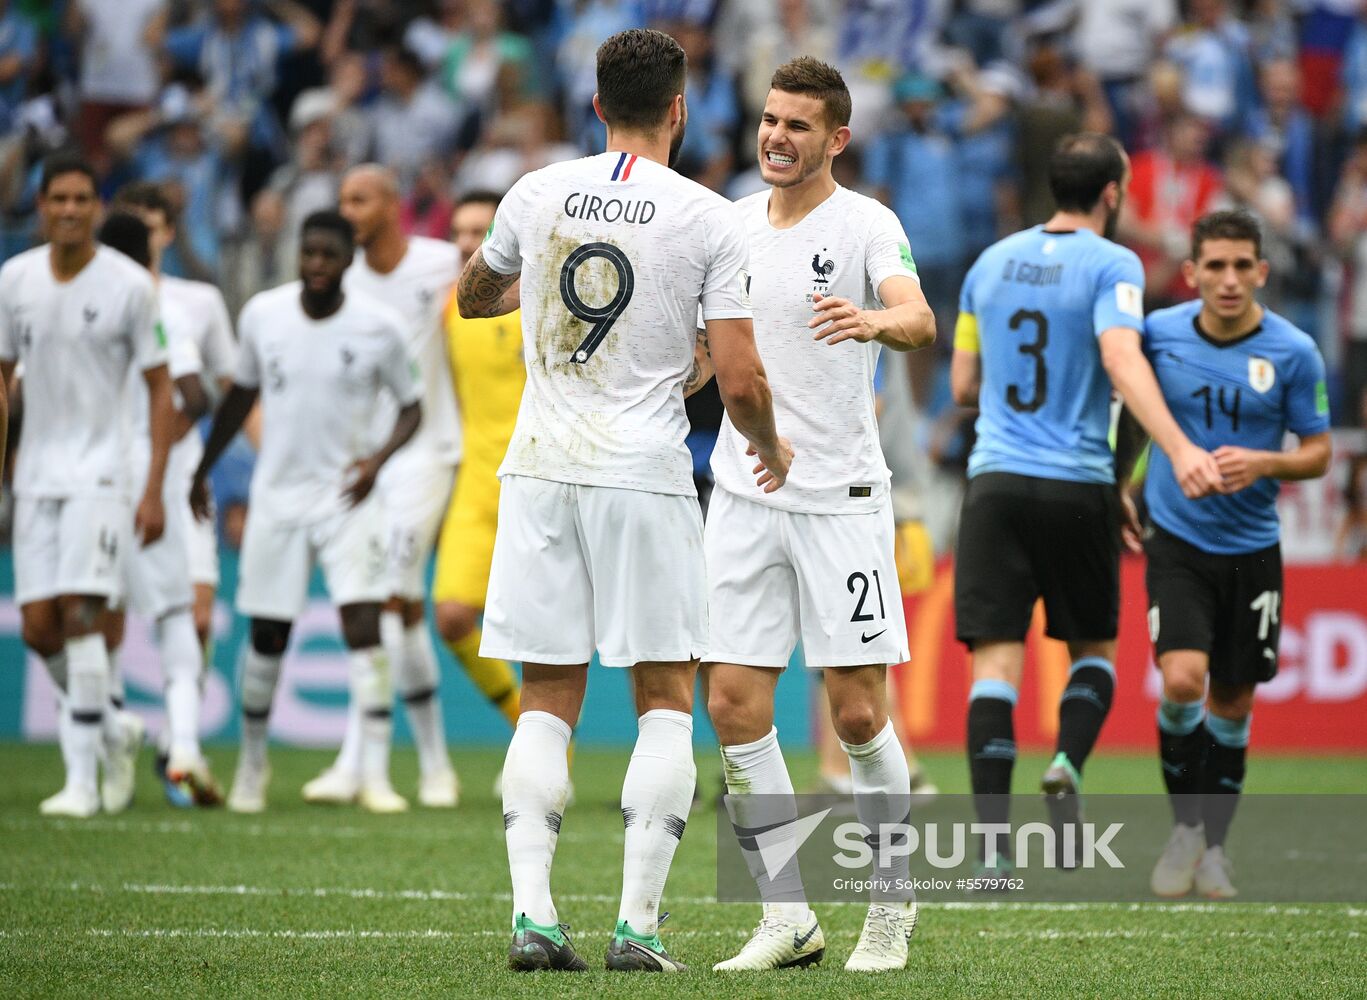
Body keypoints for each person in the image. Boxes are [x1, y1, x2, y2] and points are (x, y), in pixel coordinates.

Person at [455, 28, 788, 973]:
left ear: (595, 104)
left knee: (546, 700)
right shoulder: (712, 219)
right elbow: (738, 375)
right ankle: (636, 929)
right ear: (680, 108)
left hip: (541, 469)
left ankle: (532, 918)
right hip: (642, 474)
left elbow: (476, 297)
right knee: (664, 701)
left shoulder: (536, 192)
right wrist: (763, 445)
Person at [699, 57, 935, 974]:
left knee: (858, 714)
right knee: (730, 701)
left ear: (835, 138)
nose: (775, 137)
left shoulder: (867, 222)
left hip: (839, 500)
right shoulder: (725, 224)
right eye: (768, 120)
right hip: (744, 495)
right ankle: (787, 916)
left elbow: (916, 314)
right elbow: (705, 351)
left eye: (797, 126)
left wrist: (877, 322)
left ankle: (889, 899)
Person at [950, 133, 1224, 875]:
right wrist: (1173, 448)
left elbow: (962, 387)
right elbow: (1119, 357)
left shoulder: (987, 264)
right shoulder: (1114, 263)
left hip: (995, 482)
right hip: (1077, 482)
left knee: (995, 662)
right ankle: (1067, 762)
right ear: (1112, 192)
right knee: (1093, 652)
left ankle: (991, 850)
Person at [190, 210, 422, 815]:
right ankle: (252, 763)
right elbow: (240, 396)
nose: (317, 264)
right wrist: (200, 469)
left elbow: (411, 408)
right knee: (268, 636)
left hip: (350, 496)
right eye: (309, 253)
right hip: (278, 498)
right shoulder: (263, 315)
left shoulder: (381, 327)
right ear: (299, 256)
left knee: (364, 627)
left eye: (329, 254)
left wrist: (376, 461)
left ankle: (373, 773)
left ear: (349, 260)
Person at [1142, 210, 1331, 899]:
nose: (1227, 279)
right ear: (1191, 273)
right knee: (1184, 680)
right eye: (1213, 266)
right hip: (1177, 540)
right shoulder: (1157, 334)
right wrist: (1125, 489)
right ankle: (1184, 827)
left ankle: (1214, 848)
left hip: (1252, 550)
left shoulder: (1294, 352)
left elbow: (1316, 452)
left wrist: (1263, 462)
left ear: (1261, 270)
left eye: (1239, 266)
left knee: (1231, 701)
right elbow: (1127, 405)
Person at [0, 152, 173, 818]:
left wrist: (152, 485)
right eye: (58, 199)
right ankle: (112, 727)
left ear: (96, 207)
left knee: (80, 614)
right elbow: (1, 379)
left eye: (81, 198)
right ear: (39, 206)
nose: (69, 210)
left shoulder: (129, 285)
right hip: (37, 475)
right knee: (39, 628)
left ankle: (80, 782)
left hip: (105, 473)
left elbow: (161, 388)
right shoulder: (14, 280)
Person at [302, 164, 461, 812]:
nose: (347, 207)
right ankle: (435, 766)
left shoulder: (440, 261)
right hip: (362, 462)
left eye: (358, 198)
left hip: (428, 450)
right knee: (400, 611)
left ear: (392, 206)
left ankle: (356, 761)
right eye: (341, 197)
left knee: (387, 597)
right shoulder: (340, 282)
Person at [95, 205, 225, 808]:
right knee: (172, 616)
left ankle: (132, 737)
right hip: (150, 480)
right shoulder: (162, 308)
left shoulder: (136, 309)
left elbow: (197, 396)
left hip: (107, 480)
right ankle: (179, 745)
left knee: (93, 615)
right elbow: (194, 394)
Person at [431, 191, 527, 750]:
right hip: (475, 486)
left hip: (534, 479)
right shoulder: (447, 304)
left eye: (480, 231)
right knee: (450, 617)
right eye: (459, 232)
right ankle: (527, 728)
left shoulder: (534, 298)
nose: (468, 242)